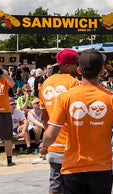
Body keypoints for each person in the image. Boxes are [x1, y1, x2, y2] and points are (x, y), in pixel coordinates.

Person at [42, 49, 113, 193]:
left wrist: (44, 146)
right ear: (101, 71)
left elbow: (51, 133)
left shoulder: (65, 98)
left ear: (78, 70)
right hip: (102, 169)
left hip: (72, 169)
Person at [38, 49, 80, 194]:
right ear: (67, 66)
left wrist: (49, 139)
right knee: (74, 186)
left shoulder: (45, 84)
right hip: (72, 145)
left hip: (54, 145)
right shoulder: (74, 83)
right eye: (76, 64)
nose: (79, 67)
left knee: (55, 186)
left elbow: (44, 118)